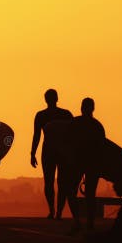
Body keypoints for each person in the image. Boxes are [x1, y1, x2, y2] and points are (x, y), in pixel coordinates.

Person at [30, 89, 74, 219]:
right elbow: (73, 135)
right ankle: (58, 211)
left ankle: (52, 210)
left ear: (46, 100)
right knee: (62, 182)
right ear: (57, 98)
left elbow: (36, 136)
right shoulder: (66, 114)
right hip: (63, 152)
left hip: (49, 150)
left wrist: (33, 153)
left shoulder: (41, 115)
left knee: (49, 182)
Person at [68, 98, 105, 231]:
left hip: (77, 162)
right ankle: (89, 224)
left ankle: (77, 221)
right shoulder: (97, 125)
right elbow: (102, 147)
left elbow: (68, 143)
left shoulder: (75, 123)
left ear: (82, 108)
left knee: (71, 191)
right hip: (92, 164)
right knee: (90, 194)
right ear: (93, 108)